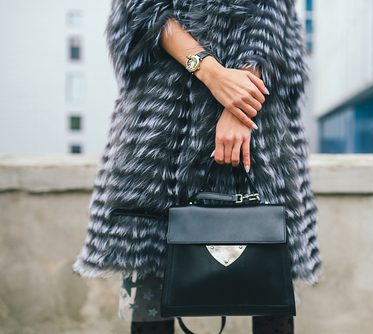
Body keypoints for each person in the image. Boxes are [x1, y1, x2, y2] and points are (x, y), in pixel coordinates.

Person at [72, 1, 322, 333]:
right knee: (150, 293)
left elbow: (271, 18)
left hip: (256, 128)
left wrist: (240, 108)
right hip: (162, 133)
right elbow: (144, 11)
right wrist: (212, 73)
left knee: (270, 288)